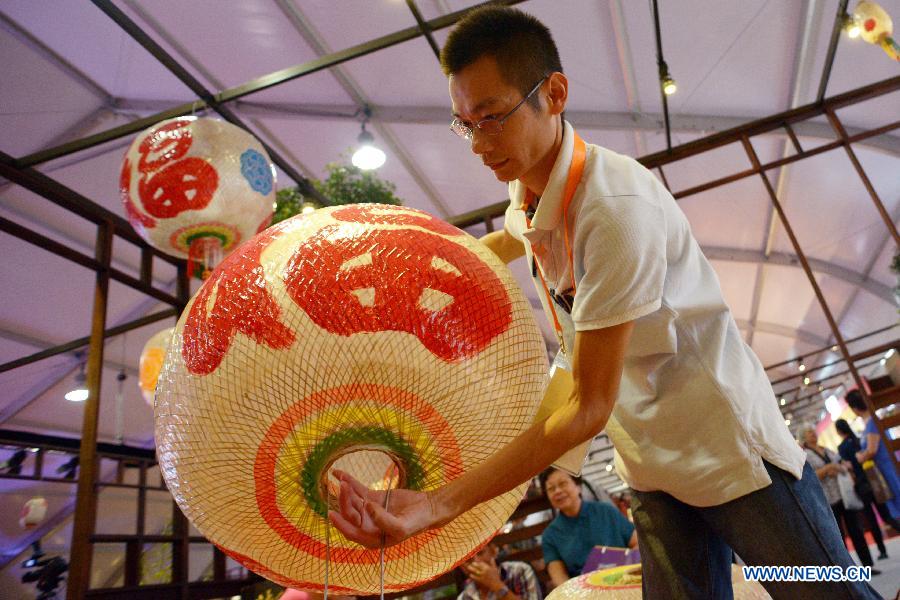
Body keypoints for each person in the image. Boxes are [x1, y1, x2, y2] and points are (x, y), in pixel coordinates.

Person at [329, 7, 882, 599]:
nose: (478, 144)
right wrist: (415, 271)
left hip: (732, 456)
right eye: (466, 125)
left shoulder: (615, 211)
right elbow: (509, 237)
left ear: (555, 94)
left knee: (830, 592)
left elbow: (589, 406)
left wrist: (436, 505)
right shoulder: (531, 187)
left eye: (492, 118)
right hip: (651, 467)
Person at [538, 468, 636, 586]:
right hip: (583, 592)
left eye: (562, 483)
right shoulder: (550, 535)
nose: (557, 491)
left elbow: (637, 543)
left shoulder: (606, 511)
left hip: (625, 583)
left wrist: (629, 568)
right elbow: (559, 578)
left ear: (578, 486)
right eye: (551, 489)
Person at [800, 427, 878, 573]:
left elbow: (842, 463)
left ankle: (868, 566)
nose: (813, 434)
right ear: (803, 437)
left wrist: (842, 466)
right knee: (838, 536)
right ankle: (845, 570)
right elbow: (807, 477)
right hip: (827, 500)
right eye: (809, 432)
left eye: (813, 431)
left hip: (844, 495)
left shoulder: (826, 449)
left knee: (856, 530)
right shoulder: (805, 455)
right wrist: (828, 468)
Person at [835, 417, 900, 559]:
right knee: (886, 514)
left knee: (871, 519)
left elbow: (849, 467)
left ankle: (882, 551)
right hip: (872, 479)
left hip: (861, 485)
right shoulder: (859, 439)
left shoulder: (842, 448)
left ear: (839, 431)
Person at [845, 390, 900, 521]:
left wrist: (860, 457)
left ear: (854, 408)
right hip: (883, 469)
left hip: (887, 468)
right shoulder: (869, 423)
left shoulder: (871, 423)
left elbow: (871, 450)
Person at [457, 541, 542, 600]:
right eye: (468, 560)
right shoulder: (465, 597)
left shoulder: (520, 570)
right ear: (463, 567)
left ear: (493, 551)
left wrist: (496, 585)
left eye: (480, 553)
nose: (477, 561)